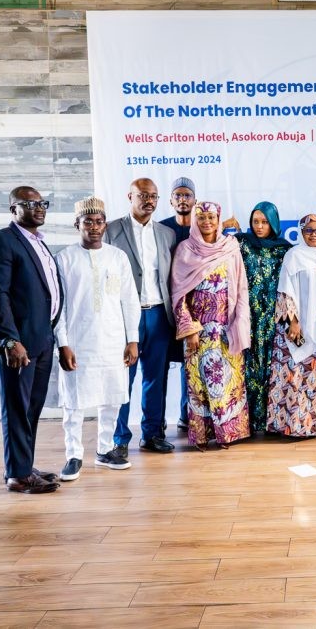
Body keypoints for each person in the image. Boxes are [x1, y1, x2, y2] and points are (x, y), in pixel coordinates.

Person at [0, 186, 63, 494]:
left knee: (31, 408)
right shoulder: (0, 240)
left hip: (42, 339)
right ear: (13, 208)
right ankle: (17, 474)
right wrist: (9, 340)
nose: (39, 208)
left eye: (43, 202)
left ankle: (23, 465)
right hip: (17, 344)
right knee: (16, 407)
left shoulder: (39, 243)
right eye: (30, 203)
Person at [54, 196, 141, 481]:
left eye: (99, 221)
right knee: (74, 401)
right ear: (77, 224)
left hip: (114, 339)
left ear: (105, 225)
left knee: (112, 397)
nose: (94, 227)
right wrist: (63, 343)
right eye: (87, 221)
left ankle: (105, 450)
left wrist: (132, 339)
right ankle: (74, 454)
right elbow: (59, 306)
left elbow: (129, 300)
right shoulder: (64, 258)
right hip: (78, 341)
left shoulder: (117, 257)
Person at [104, 178, 178, 455]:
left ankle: (152, 434)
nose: (149, 201)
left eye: (154, 196)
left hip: (159, 314)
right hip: (125, 317)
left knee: (155, 379)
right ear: (130, 196)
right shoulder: (111, 230)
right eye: (143, 195)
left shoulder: (166, 234)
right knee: (123, 379)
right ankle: (119, 439)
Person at [171, 202, 251, 450]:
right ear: (195, 221)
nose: (207, 222)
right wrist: (189, 329)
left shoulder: (230, 247)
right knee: (200, 384)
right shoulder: (185, 250)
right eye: (202, 217)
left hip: (226, 328)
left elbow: (240, 288)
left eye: (212, 217)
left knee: (227, 381)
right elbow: (178, 293)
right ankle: (203, 435)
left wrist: (239, 322)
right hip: (199, 331)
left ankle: (227, 434)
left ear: (219, 220)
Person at [266, 213, 316, 438]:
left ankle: (312, 425)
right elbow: (285, 291)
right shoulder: (293, 255)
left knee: (314, 374)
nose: (314, 235)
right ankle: (289, 425)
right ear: (301, 233)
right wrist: (292, 323)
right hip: (295, 324)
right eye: (308, 230)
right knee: (293, 372)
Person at [236, 202, 293, 434]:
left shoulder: (284, 249)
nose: (259, 227)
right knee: (249, 367)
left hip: (274, 316)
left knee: (273, 366)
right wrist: (225, 226)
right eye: (255, 221)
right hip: (248, 315)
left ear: (274, 223)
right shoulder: (242, 244)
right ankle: (248, 422)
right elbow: (211, 240)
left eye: (265, 222)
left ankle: (272, 421)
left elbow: (290, 287)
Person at [159, 176, 195, 431]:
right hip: (163, 306)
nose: (183, 199)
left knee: (189, 363)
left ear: (195, 199)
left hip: (193, 307)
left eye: (187, 195)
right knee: (159, 365)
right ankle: (156, 421)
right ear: (171, 200)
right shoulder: (160, 229)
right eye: (178, 195)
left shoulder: (201, 227)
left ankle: (187, 415)